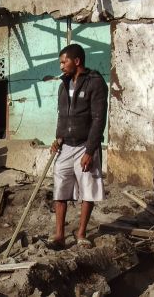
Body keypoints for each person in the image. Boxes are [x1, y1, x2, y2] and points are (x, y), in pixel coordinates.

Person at [49, 43, 108, 249]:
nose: (61, 66)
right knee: (60, 188)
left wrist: (90, 151)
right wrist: (57, 138)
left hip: (85, 145)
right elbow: (61, 115)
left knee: (88, 189)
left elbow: (99, 119)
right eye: (60, 62)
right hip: (66, 145)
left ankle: (81, 234)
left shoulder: (95, 82)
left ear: (77, 61)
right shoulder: (63, 84)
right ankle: (59, 236)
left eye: (64, 62)